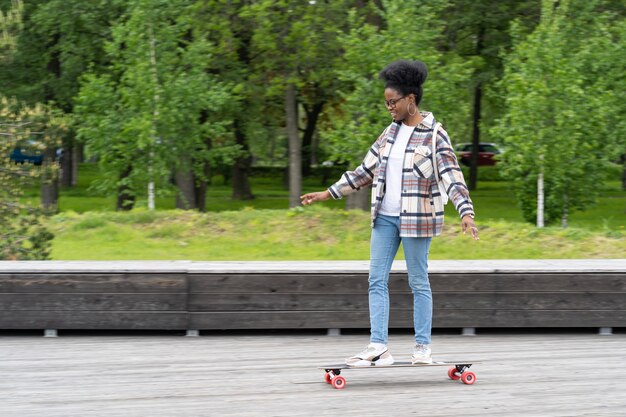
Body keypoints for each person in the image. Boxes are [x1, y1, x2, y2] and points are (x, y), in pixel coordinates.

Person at [300, 60, 479, 367]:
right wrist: (327, 193)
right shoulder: (389, 134)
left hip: (417, 219)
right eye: (386, 104)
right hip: (384, 217)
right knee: (375, 279)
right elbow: (363, 172)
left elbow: (451, 175)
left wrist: (465, 211)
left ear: (411, 99)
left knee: (418, 281)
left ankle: (422, 347)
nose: (389, 108)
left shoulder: (435, 135)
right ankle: (379, 346)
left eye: (393, 102)